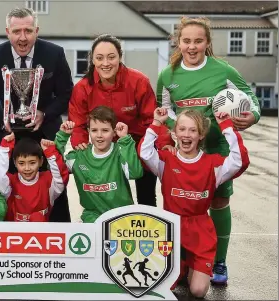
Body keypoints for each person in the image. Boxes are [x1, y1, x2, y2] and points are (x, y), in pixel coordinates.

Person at [156, 16, 261, 284]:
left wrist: (254, 115)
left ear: (207, 42)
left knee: (219, 202)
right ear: (178, 42)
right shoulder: (168, 75)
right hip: (186, 149)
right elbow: (164, 110)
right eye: (187, 41)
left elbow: (251, 98)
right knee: (183, 203)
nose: (192, 47)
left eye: (198, 41)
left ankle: (220, 262)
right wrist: (179, 126)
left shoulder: (223, 70)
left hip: (218, 147)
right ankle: (182, 259)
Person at [138, 108, 249, 297]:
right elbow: (145, 153)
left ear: (201, 134)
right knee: (160, 288)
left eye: (192, 130)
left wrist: (227, 127)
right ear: (175, 133)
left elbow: (240, 161)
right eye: (182, 129)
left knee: (197, 291)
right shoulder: (166, 160)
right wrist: (156, 123)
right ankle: (181, 266)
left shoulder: (212, 164)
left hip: (200, 231)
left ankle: (191, 266)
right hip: (171, 229)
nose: (186, 135)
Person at [0, 7, 73, 222]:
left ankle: (60, 238)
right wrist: (1, 119)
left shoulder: (54, 53)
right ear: (7, 32)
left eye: (28, 31)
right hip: (6, 131)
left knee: (55, 187)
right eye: (17, 31)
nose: (22, 38)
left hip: (45, 130)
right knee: (3, 188)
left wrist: (45, 113)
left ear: (36, 31)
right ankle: (5, 239)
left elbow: (66, 93)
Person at [68, 34, 171, 208]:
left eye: (111, 57)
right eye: (99, 58)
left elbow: (151, 119)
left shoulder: (138, 81)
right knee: (106, 193)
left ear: (120, 57)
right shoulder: (82, 88)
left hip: (136, 141)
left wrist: (164, 143)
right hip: (103, 144)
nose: (105, 63)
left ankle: (147, 221)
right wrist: (79, 141)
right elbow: (78, 122)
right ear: (92, 59)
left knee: (146, 194)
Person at [54, 106, 143, 223]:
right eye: (94, 130)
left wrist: (125, 140)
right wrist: (62, 137)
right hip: (92, 218)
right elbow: (55, 169)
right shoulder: (79, 156)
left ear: (114, 132)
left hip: (122, 217)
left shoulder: (120, 151)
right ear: (88, 131)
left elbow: (136, 173)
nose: (99, 135)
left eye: (105, 130)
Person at [0, 133, 69, 222]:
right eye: (21, 163)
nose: (27, 168)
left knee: (37, 217)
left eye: (32, 163)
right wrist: (5, 149)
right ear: (15, 163)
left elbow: (61, 178)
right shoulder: (10, 183)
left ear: (41, 161)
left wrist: (50, 152)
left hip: (41, 233)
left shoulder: (48, 181)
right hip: (15, 234)